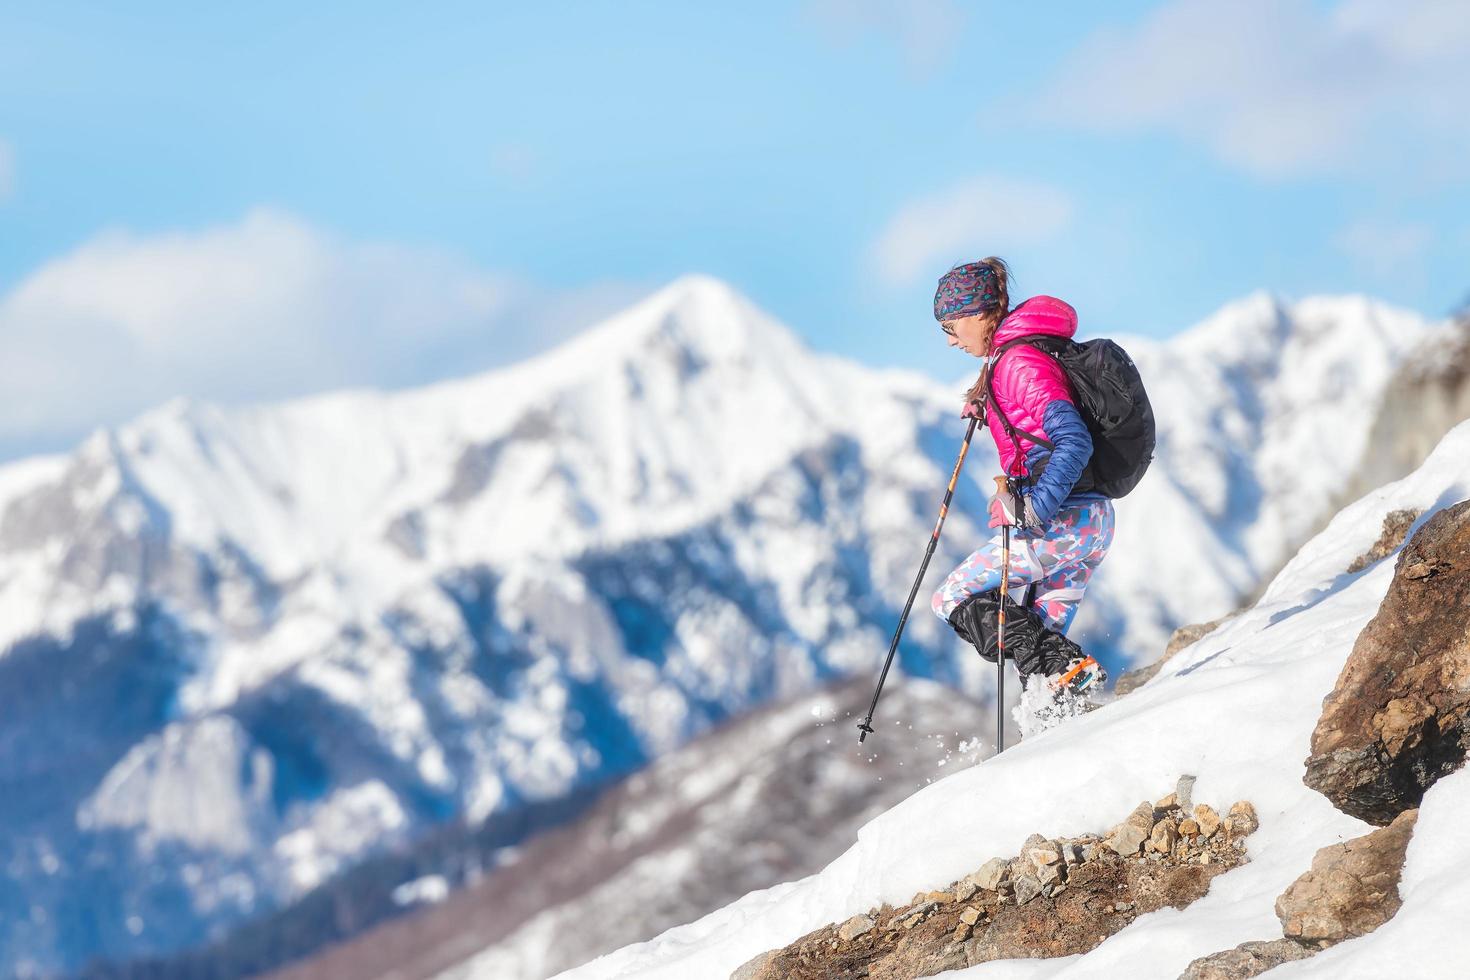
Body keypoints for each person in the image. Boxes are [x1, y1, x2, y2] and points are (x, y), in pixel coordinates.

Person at [928, 257, 1111, 706]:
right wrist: (990, 410)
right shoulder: (1019, 358)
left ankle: (1068, 671)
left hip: (1058, 523)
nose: (950, 340)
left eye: (951, 326)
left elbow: (1072, 439)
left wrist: (1033, 509)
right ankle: (1065, 721)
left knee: (950, 596)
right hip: (1089, 522)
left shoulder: (1018, 363)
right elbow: (1036, 430)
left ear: (978, 315)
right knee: (1043, 653)